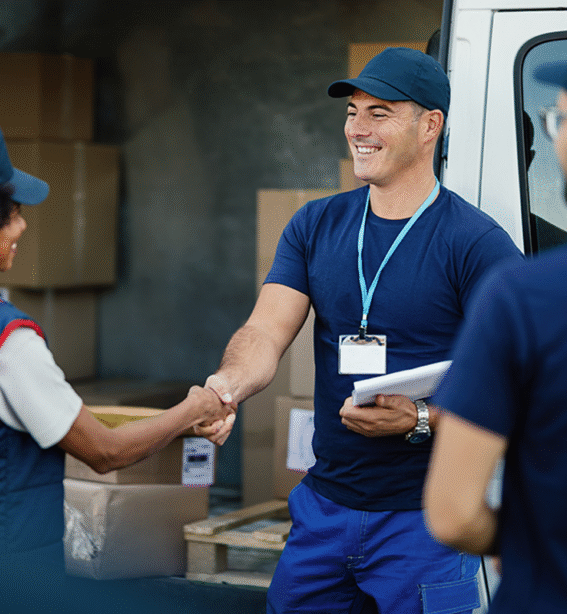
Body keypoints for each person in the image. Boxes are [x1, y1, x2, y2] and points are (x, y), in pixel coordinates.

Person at [199, 48, 522, 613]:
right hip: (323, 511)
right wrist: (224, 387)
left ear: (430, 125)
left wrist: (421, 418)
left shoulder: (476, 243)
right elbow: (264, 332)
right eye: (352, 112)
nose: (357, 129)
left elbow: (525, 384)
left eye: (379, 113)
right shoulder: (315, 225)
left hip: (425, 521)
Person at [0, 111, 233, 607]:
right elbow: (104, 451)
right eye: (11, 210)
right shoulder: (3, 342)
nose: (22, 224)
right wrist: (191, 410)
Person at [424, 17, 567, 614]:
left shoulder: (526, 298)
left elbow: (453, 513)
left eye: (562, 121)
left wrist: (524, 538)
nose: (557, 139)